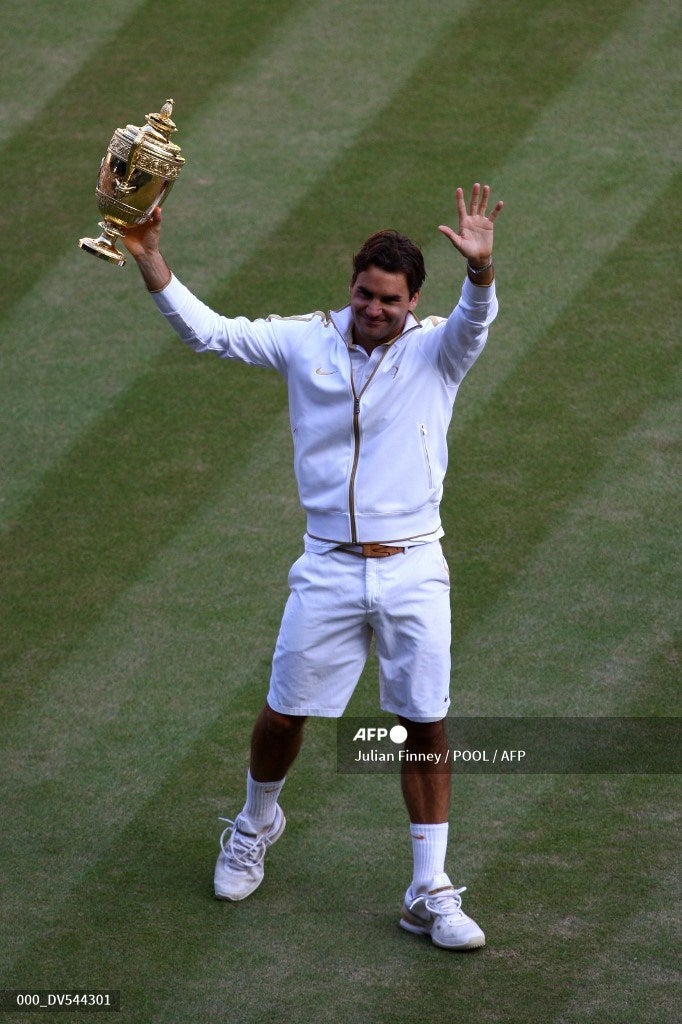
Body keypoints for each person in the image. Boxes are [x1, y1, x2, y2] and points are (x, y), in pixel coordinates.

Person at [122, 183, 503, 951]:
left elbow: (476, 318)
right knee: (283, 713)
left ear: (413, 301)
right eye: (365, 293)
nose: (374, 309)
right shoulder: (307, 339)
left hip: (414, 567)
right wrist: (149, 255)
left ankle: (428, 889)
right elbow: (210, 334)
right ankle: (256, 824)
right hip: (328, 566)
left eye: (390, 299)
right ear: (351, 286)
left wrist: (481, 270)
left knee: (425, 722)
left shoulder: (439, 349)